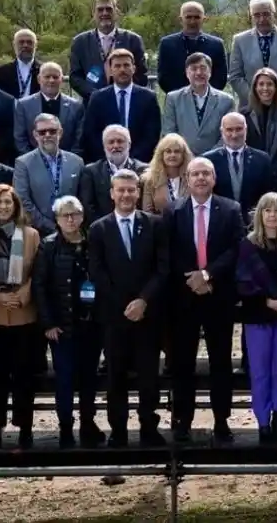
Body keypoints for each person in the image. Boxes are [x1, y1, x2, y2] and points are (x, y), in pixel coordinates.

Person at [162, 158, 245, 444]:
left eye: (205, 173)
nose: (200, 178)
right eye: (195, 173)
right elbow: (167, 251)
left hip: (218, 296)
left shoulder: (231, 209)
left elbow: (236, 248)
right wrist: (192, 279)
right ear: (187, 178)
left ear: (214, 178)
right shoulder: (173, 210)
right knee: (183, 364)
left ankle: (222, 421)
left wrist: (207, 275)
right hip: (183, 299)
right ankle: (182, 421)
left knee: (220, 362)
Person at [87, 169, 170, 448]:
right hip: (114, 317)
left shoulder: (155, 225)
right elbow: (97, 273)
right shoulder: (99, 228)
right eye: (120, 190)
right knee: (116, 377)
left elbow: (162, 268)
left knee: (149, 376)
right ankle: (118, 431)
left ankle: (149, 427)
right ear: (111, 193)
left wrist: (143, 301)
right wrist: (124, 305)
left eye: (131, 190)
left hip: (149, 315)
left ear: (138, 192)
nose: (125, 195)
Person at [0, 184, 42, 449]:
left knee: (25, 377)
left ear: (16, 206)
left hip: (24, 315)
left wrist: (23, 294)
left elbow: (38, 272)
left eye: (8, 202)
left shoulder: (31, 235)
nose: (4, 207)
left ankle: (25, 429)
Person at [34, 196, 102, 448]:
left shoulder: (93, 243)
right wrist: (48, 323)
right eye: (65, 215)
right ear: (57, 220)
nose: (70, 219)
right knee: (64, 380)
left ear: (82, 216)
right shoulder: (48, 246)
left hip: (90, 325)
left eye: (74, 214)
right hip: (61, 327)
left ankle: (88, 423)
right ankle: (65, 427)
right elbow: (39, 286)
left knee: (89, 378)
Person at [236, 192, 277, 446]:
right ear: (259, 215)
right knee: (260, 372)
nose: (272, 216)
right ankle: (263, 423)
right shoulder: (248, 244)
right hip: (258, 315)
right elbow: (242, 282)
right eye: (267, 211)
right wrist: (267, 301)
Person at [140, 133, 193, 214]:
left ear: (184, 155)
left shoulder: (192, 178)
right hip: (160, 225)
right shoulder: (150, 180)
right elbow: (147, 213)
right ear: (161, 154)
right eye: (168, 151)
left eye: (177, 151)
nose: (172, 155)